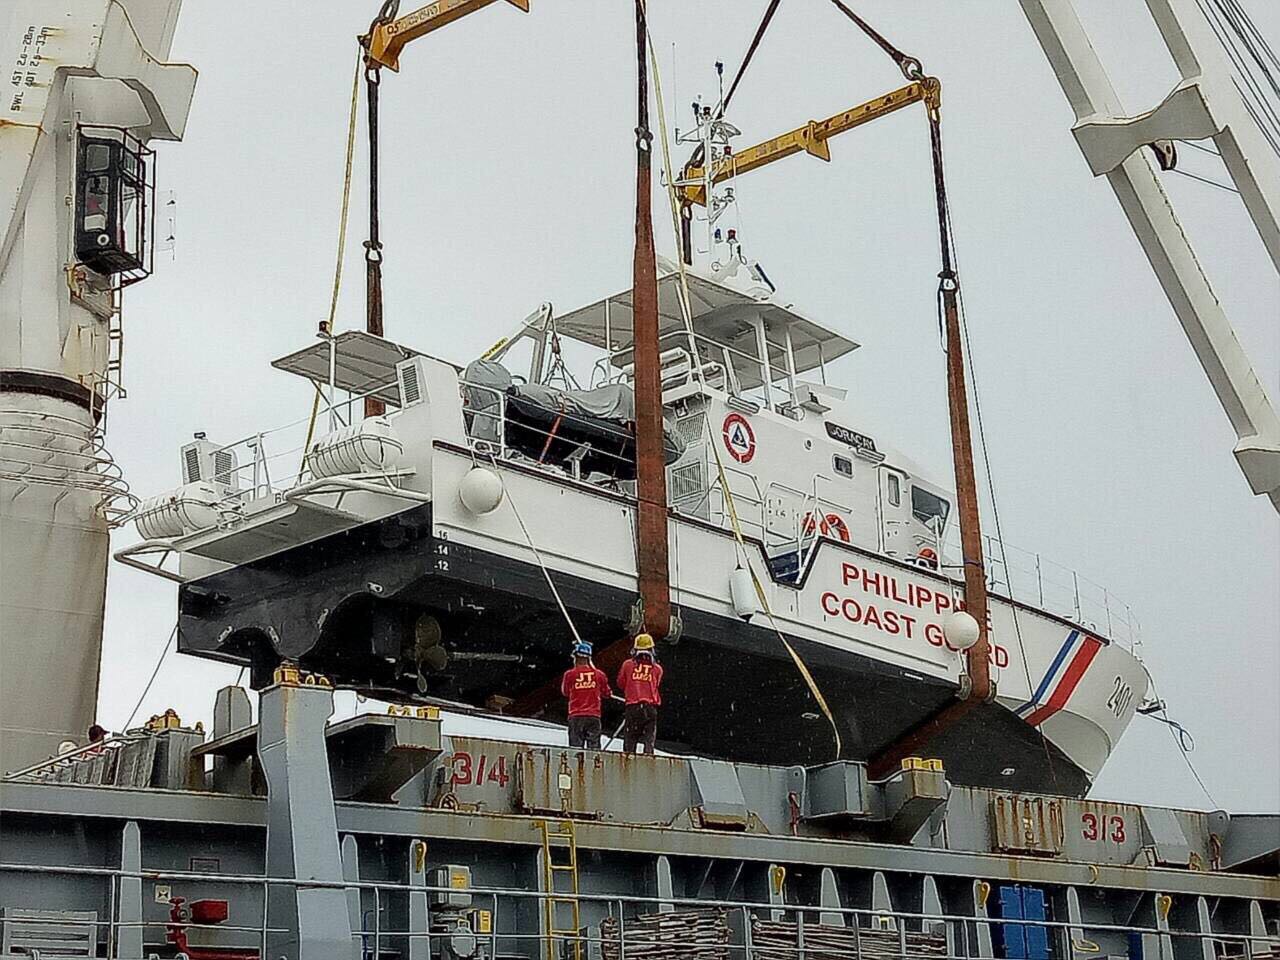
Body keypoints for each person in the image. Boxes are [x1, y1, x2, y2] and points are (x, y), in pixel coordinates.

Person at [617, 633, 663, 755]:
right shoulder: (657, 669)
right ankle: (648, 760)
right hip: (650, 708)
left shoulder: (627, 665)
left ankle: (628, 762)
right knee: (649, 741)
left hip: (633, 707)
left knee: (630, 741)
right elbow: (656, 684)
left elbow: (621, 683)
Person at [560, 641, 611, 749]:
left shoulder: (569, 674)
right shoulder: (599, 675)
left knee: (575, 749)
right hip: (593, 716)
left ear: (576, 657)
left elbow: (565, 692)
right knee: (594, 749)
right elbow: (607, 693)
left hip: (576, 716)